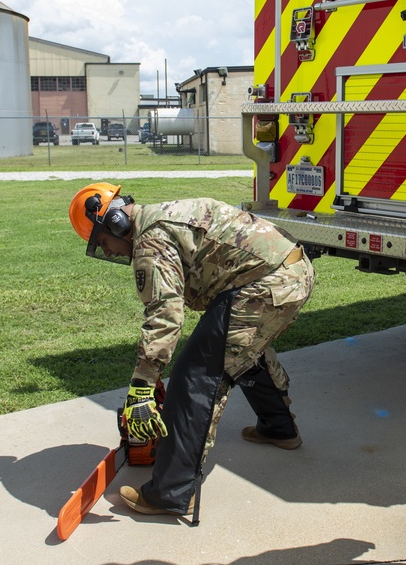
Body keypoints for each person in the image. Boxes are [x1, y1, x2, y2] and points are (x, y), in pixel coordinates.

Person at [67, 184, 315, 517]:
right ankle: (278, 428)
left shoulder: (150, 241)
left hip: (269, 283)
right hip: (286, 273)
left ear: (115, 223)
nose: (109, 252)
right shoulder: (162, 218)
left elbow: (165, 316)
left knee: (196, 376)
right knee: (238, 352)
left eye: (102, 242)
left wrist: (142, 386)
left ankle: (170, 492)